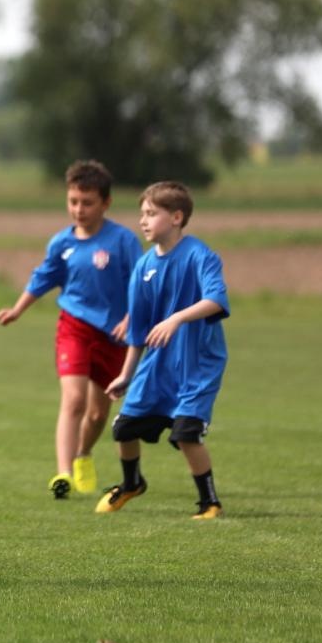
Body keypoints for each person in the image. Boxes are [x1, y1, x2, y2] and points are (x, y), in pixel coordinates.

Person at [0, 160, 141, 499]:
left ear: (105, 203)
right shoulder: (62, 243)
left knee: (96, 413)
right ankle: (62, 473)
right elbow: (42, 278)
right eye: (73, 201)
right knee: (73, 400)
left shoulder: (123, 241)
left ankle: (83, 455)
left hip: (115, 335)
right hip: (74, 328)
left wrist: (132, 318)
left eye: (87, 202)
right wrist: (18, 309)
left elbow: (140, 285)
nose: (79, 209)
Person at [99, 182, 229, 520]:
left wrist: (176, 318)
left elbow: (215, 299)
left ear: (176, 217)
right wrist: (126, 375)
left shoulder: (200, 256)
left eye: (151, 214)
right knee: (124, 428)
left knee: (187, 434)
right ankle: (132, 483)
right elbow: (139, 332)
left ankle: (209, 502)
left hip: (197, 365)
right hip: (157, 367)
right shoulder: (142, 268)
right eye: (141, 213)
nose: (143, 221)